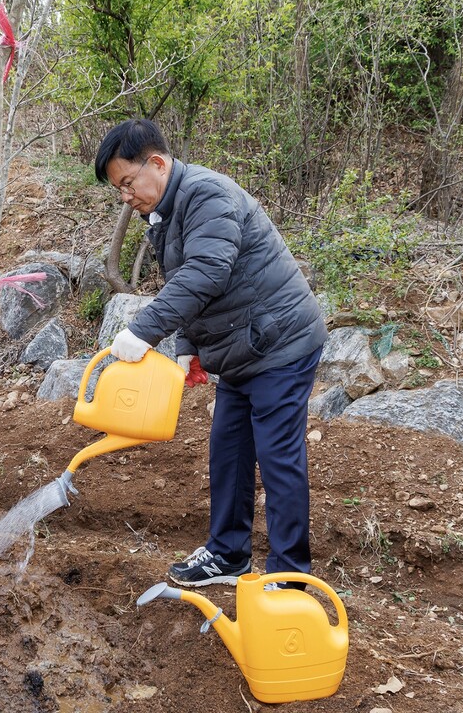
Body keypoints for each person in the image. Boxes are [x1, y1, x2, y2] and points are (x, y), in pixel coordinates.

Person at [94, 119, 327, 587]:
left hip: (280, 342)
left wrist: (143, 330)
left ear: (157, 164)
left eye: (128, 183)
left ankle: (290, 578)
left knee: (277, 457)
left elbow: (207, 272)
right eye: (118, 189)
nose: (125, 196)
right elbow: (186, 281)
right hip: (244, 346)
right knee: (228, 450)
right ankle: (228, 554)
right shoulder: (166, 210)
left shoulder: (207, 194)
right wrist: (189, 346)